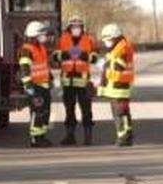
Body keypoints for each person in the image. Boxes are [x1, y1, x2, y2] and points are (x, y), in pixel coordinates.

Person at [52, 16, 99, 145]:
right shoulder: (63, 39)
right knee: (69, 110)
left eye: (78, 26)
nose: (76, 28)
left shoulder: (88, 39)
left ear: (82, 27)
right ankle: (70, 136)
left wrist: (85, 56)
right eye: (74, 26)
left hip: (83, 81)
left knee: (86, 110)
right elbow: (55, 56)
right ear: (69, 27)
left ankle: (88, 136)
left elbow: (95, 57)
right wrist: (65, 54)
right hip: (67, 82)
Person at [99, 23, 136, 147]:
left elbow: (116, 69)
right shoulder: (117, 49)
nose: (106, 43)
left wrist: (108, 73)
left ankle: (124, 137)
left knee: (121, 114)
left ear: (114, 38)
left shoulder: (122, 49)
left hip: (119, 88)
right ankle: (123, 135)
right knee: (121, 114)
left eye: (107, 40)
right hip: (116, 89)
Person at [20, 21, 54, 147]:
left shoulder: (40, 48)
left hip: (43, 86)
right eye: (42, 34)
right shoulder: (26, 50)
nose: (44, 37)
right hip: (34, 87)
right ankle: (35, 138)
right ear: (35, 35)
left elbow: (44, 65)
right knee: (37, 112)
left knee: (45, 112)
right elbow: (25, 69)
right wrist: (28, 86)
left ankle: (42, 136)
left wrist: (49, 77)